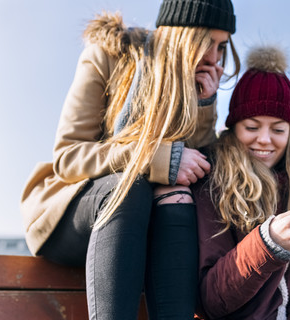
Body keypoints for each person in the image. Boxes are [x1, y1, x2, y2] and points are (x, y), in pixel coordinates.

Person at [20, 0, 240, 319]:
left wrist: (204, 104)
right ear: (180, 35)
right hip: (78, 211)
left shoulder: (195, 81)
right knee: (130, 187)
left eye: (221, 46)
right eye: (205, 42)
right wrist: (154, 158)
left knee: (177, 194)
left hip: (148, 225)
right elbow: (69, 158)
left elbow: (196, 169)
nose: (213, 57)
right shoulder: (109, 55)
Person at [191, 46, 290, 319]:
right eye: (252, 127)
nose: (265, 140)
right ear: (233, 127)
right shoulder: (212, 182)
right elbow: (210, 300)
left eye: (278, 129)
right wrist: (269, 244)